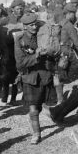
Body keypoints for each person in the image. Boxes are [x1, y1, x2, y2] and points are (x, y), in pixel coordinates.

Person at [14, 12, 56, 144]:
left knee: (43, 105)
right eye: (31, 25)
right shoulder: (20, 40)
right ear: (24, 26)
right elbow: (20, 63)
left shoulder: (42, 35)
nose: (34, 27)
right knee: (33, 108)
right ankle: (36, 133)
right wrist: (36, 56)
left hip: (45, 75)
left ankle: (56, 115)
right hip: (30, 77)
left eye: (35, 24)